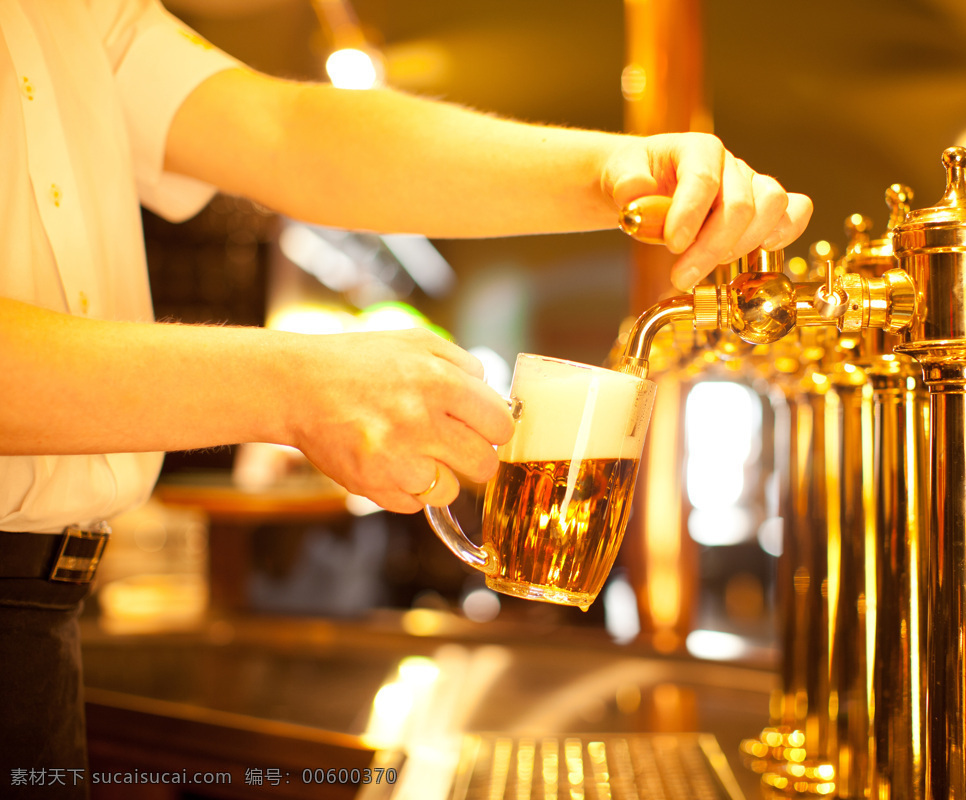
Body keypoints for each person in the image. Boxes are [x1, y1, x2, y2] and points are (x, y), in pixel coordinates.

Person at [0, 0, 813, 795]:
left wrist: (614, 174)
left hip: (41, 615)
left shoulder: (81, 12)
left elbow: (290, 136)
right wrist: (294, 383)